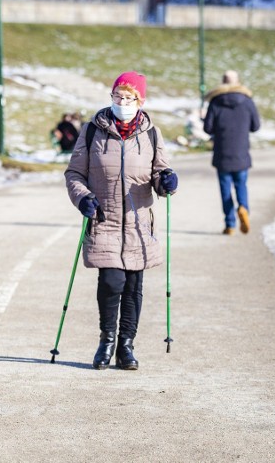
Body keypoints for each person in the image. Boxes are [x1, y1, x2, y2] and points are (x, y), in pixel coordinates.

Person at [64, 71, 177, 370]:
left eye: (129, 98)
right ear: (111, 97)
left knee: (133, 286)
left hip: (139, 223)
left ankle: (127, 346)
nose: (123, 102)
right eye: (118, 96)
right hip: (105, 218)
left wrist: (166, 181)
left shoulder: (151, 133)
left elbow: (159, 171)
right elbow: (74, 173)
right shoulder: (92, 130)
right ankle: (107, 341)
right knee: (112, 281)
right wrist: (83, 197)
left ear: (140, 101)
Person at [203, 70, 260, 236]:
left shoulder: (216, 101)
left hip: (222, 153)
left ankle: (230, 224)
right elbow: (256, 126)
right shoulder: (247, 101)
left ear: (222, 82)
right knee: (241, 184)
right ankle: (243, 208)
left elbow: (208, 128)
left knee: (225, 188)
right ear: (238, 81)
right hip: (242, 152)